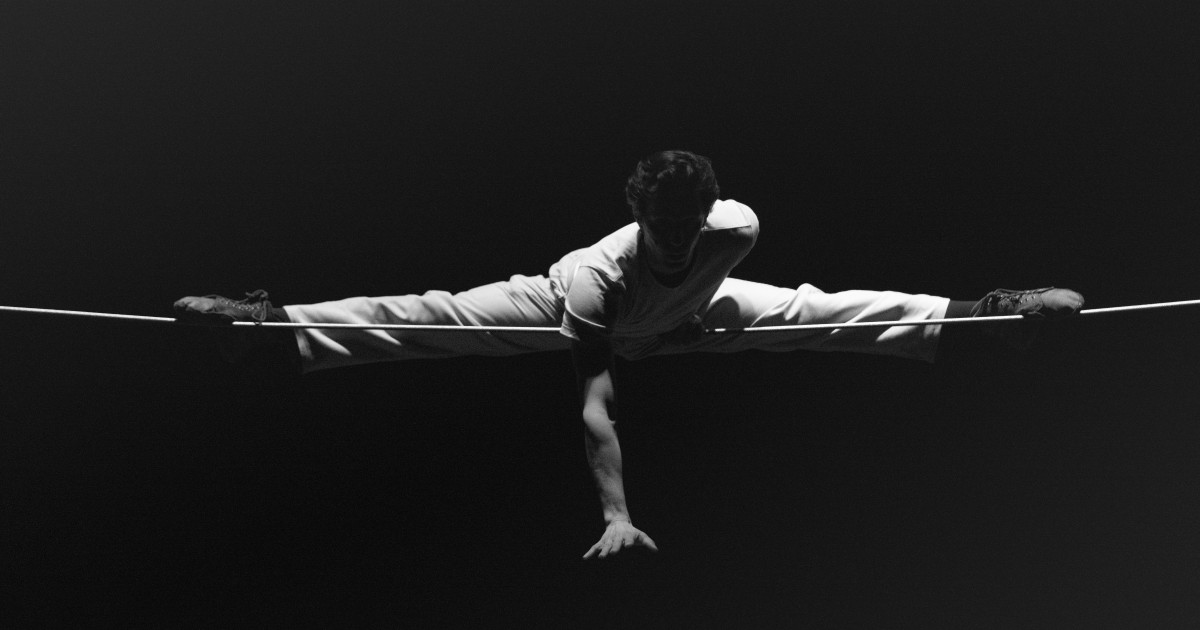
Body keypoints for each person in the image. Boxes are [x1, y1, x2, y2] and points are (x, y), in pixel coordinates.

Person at [175, 150, 1084, 560]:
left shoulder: (736, 231)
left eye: (690, 219)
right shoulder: (594, 280)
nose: (679, 233)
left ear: (710, 210)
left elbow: (723, 274)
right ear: (638, 216)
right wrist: (617, 513)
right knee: (432, 316)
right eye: (662, 222)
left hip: (690, 312)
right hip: (577, 311)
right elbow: (595, 403)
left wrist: (684, 319)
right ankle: (266, 328)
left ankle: (989, 318)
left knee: (821, 309)